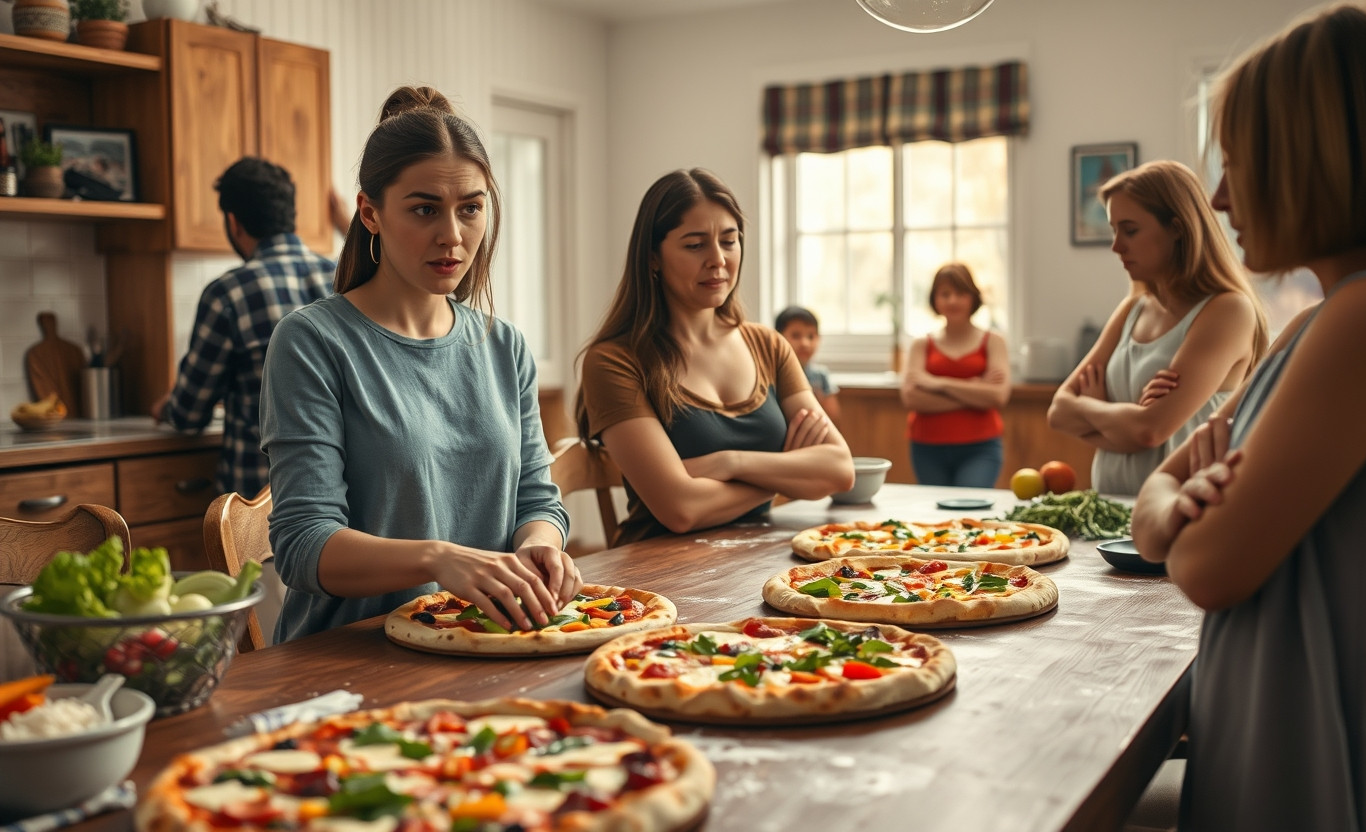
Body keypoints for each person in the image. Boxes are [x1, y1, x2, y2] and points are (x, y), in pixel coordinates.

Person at [1130, 5, 1366, 830]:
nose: (1216, 195)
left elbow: (1206, 568)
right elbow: (1156, 511)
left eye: (1239, 163)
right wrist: (1176, 502)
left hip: (1337, 769)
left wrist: (1181, 507)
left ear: (1322, 161)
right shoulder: (1335, 319)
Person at [260, 86, 578, 643]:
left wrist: (540, 545)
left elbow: (536, 496)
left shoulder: (504, 347)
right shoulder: (312, 342)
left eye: (471, 208)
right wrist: (440, 559)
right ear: (370, 213)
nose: (452, 237)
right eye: (425, 209)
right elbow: (304, 545)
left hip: (488, 644)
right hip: (351, 659)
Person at [576, 168, 854, 544]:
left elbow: (838, 470)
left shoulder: (768, 346)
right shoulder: (614, 361)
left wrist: (730, 462)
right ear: (653, 257)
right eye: (695, 245)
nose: (718, 260)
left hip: (758, 556)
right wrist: (791, 476)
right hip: (653, 576)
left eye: (729, 241)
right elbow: (681, 509)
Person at [1047, 159, 1267, 496]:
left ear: (1178, 228)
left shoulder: (1228, 310)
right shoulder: (1133, 308)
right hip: (1108, 513)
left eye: (1130, 230)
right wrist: (1129, 420)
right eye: (1113, 229)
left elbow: (1150, 432)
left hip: (1180, 514)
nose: (1116, 246)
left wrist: (1093, 410)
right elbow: (1059, 411)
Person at [152, 157, 336, 498]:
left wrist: (165, 407)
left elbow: (189, 413)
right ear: (290, 214)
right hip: (345, 498)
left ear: (234, 222)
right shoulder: (343, 278)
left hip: (260, 507)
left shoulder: (228, 293)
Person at [900, 263, 1011, 488]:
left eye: (960, 293)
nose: (953, 301)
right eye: (945, 294)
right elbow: (912, 399)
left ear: (973, 297)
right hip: (926, 447)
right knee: (936, 517)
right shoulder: (921, 344)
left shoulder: (994, 341)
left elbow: (997, 397)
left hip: (981, 447)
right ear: (935, 300)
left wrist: (937, 382)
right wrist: (974, 389)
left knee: (971, 511)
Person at [774, 305, 841, 424]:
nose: (805, 343)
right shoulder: (772, 374)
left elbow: (833, 416)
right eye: (796, 336)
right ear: (777, 337)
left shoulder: (821, 376)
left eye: (811, 336)